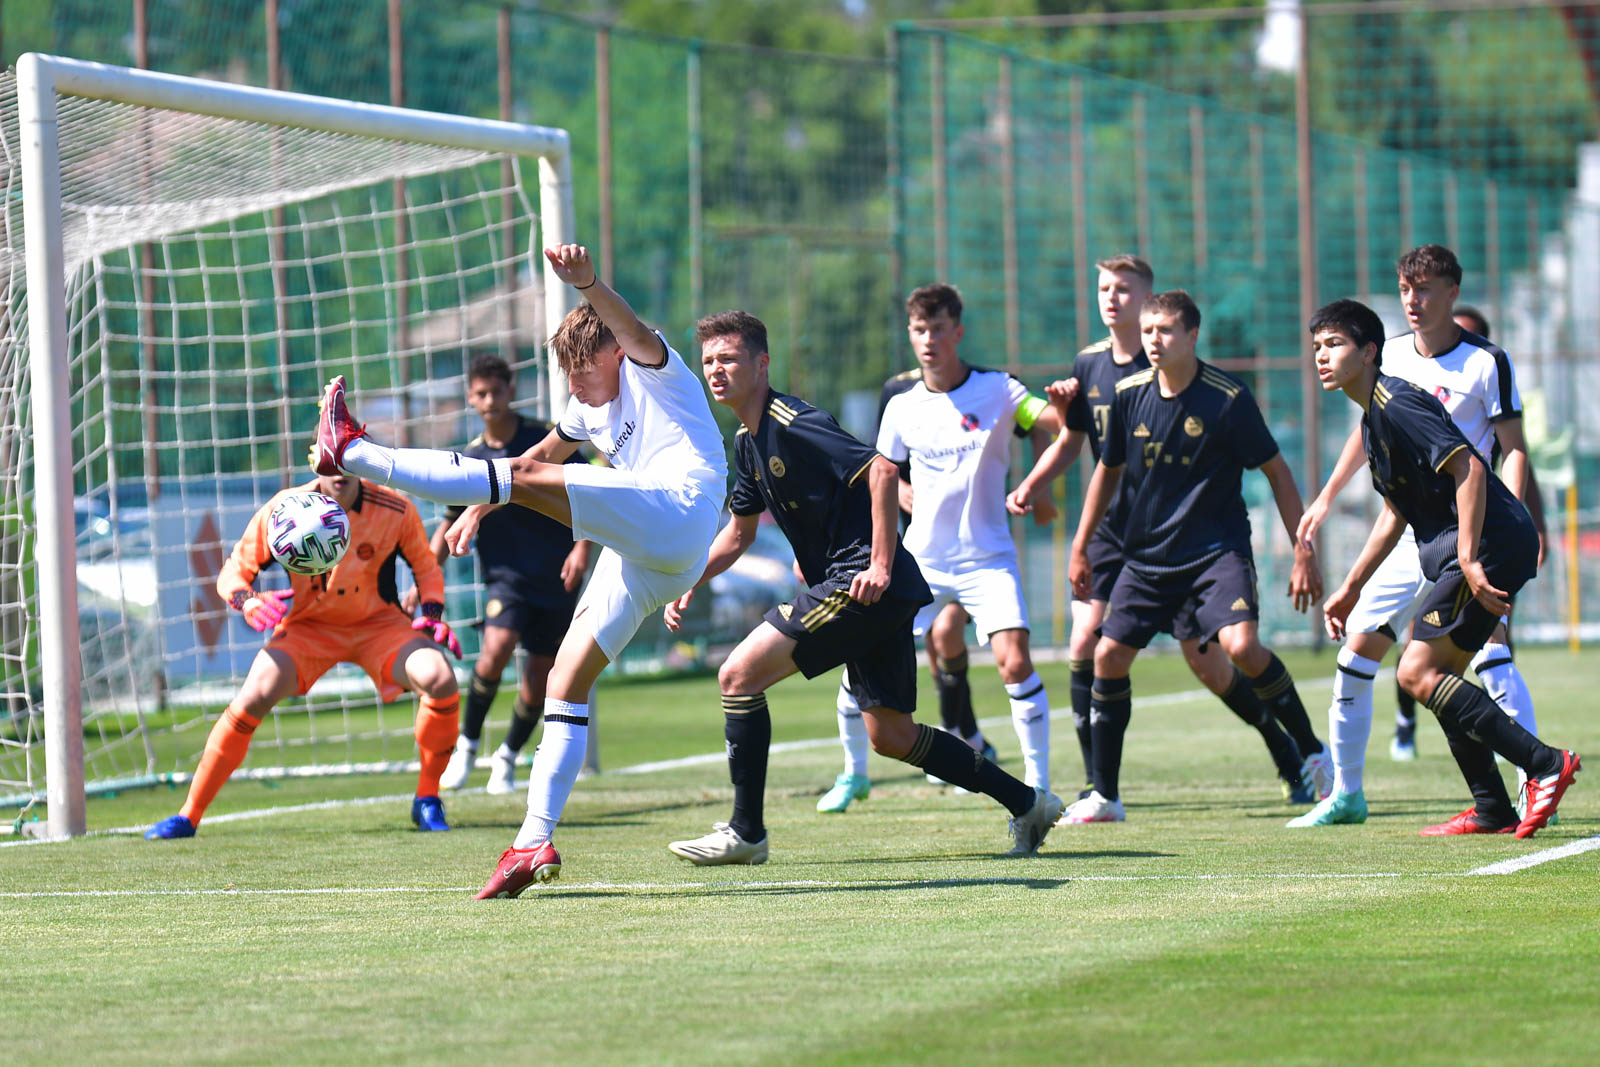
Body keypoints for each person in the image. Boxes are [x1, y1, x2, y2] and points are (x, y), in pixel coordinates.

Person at [312, 243, 727, 898]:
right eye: (567, 377)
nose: (577, 387)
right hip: (654, 554)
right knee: (564, 680)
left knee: (530, 480)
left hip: (682, 511)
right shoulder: (587, 406)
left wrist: (588, 282)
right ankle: (533, 840)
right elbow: (534, 456)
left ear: (616, 352)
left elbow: (627, 329)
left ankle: (355, 451)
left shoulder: (656, 371)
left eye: (584, 371)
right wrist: (478, 509)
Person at [664, 310, 1066, 863]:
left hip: (863, 582)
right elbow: (738, 533)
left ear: (761, 364)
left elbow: (880, 471)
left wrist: (877, 563)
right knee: (892, 736)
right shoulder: (749, 441)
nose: (716, 370)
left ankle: (746, 832)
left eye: (728, 358)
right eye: (708, 361)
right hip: (879, 590)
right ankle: (1028, 803)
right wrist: (691, 579)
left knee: (737, 675)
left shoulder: (792, 420)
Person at [1009, 256, 1324, 809]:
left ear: (1192, 334)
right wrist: (1079, 545)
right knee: (1103, 655)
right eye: (1149, 331)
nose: (1153, 340)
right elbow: (1104, 472)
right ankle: (1103, 792)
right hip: (1146, 556)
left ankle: (1310, 752)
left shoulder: (1227, 400)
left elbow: (1277, 471)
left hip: (1213, 554)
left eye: (1164, 330)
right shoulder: (1126, 392)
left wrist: (1303, 549)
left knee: (1239, 648)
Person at [1308, 298, 1578, 835]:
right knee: (1438, 675)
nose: (1322, 355)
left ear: (1368, 352)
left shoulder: (1398, 403)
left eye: (1334, 344)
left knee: (1416, 670)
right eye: (1316, 346)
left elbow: (1471, 471)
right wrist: (1349, 589)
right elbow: (1395, 515)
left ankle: (1546, 764)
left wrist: (1469, 558)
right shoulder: (1373, 422)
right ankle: (1492, 807)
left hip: (1493, 544)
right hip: (1487, 546)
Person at [820, 282, 1060, 818]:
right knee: (857, 657)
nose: (928, 340)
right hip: (921, 560)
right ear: (911, 334)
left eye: (938, 329)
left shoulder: (999, 389)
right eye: (919, 330)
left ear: (959, 331)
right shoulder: (903, 406)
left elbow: (1054, 424)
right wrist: (881, 557)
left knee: (1014, 660)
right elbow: (880, 478)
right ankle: (854, 773)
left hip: (988, 558)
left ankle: (1040, 787)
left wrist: (1042, 474)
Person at [144, 472, 463, 839]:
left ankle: (427, 797)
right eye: (330, 461)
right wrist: (246, 601)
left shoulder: (395, 507)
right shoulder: (283, 508)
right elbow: (233, 571)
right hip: (308, 628)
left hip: (380, 625)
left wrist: (432, 614)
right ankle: (189, 815)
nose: (339, 471)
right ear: (315, 460)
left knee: (438, 677)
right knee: (253, 694)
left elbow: (426, 567)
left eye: (349, 459)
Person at [419, 353, 592, 796]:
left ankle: (508, 756)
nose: (490, 400)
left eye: (497, 391)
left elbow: (591, 494)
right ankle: (467, 746)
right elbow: (449, 522)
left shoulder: (543, 440)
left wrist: (581, 549)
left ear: (511, 392)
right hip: (505, 578)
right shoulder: (472, 459)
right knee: (494, 649)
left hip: (557, 576)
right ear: (470, 398)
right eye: (481, 393)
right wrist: (425, 580)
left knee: (539, 682)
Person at [1388, 304, 1548, 762]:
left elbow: (1502, 459)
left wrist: (1522, 526)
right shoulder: (1395, 380)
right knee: (1409, 654)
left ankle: (1536, 768)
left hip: (1477, 533)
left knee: (1488, 644)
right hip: (1425, 533)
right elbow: (1393, 501)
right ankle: (1396, 739)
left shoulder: (1487, 368)